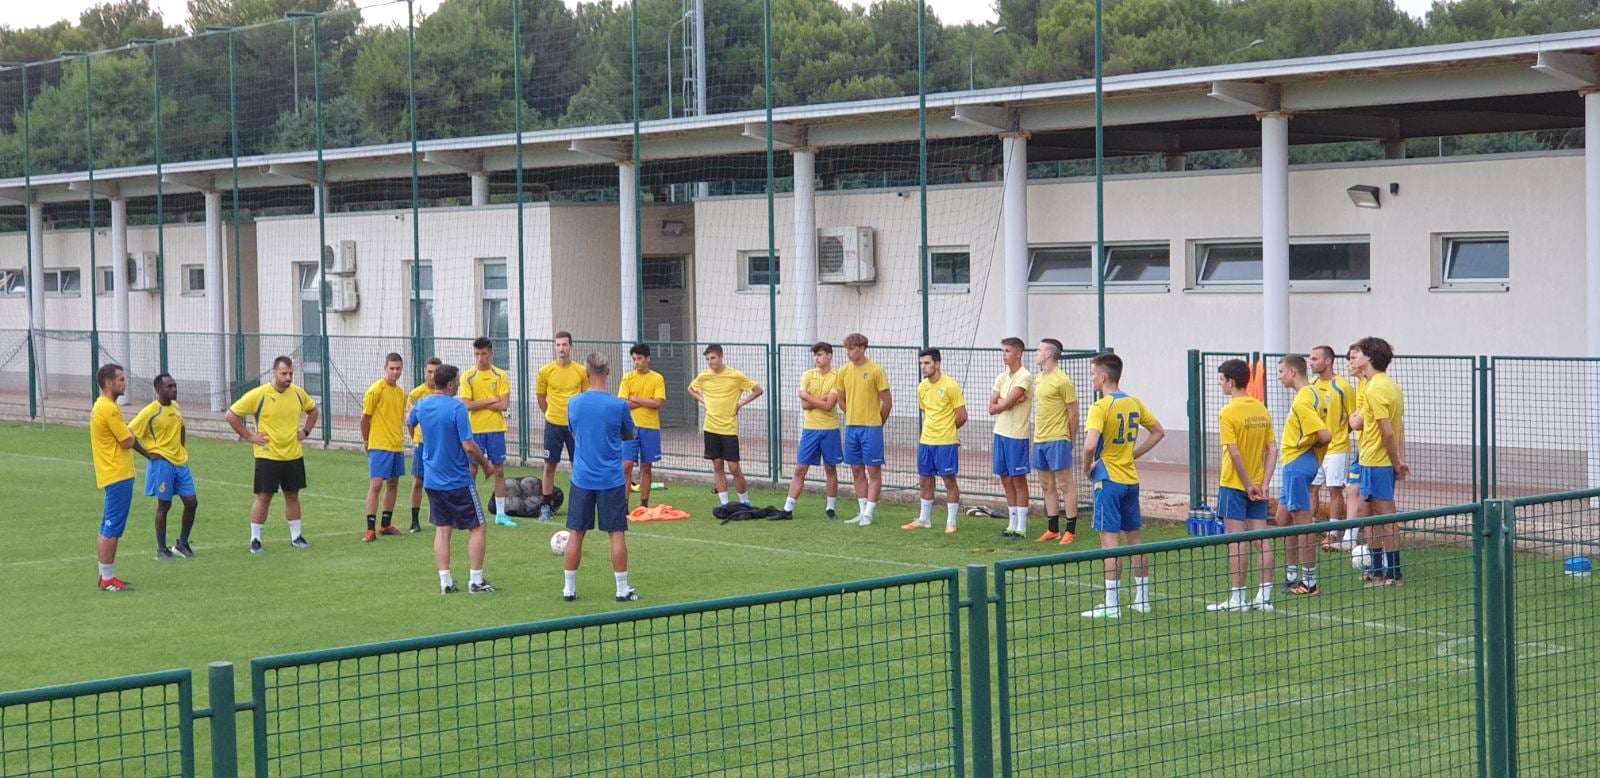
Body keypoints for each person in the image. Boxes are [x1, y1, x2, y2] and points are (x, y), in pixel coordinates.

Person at [1080, 353, 1165, 618]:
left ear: (1103, 376)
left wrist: (1086, 468)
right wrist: (1133, 454)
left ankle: (1112, 604)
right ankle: (1142, 599)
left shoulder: (1100, 407)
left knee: (1110, 542)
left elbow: (1089, 446)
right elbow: (1158, 431)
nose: (1091, 378)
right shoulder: (1133, 402)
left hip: (1108, 480)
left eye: (1093, 374)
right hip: (1130, 480)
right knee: (1135, 539)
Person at [409, 364, 497, 594]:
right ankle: (476, 581)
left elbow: (410, 422)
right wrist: (486, 465)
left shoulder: (422, 404)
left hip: (432, 480)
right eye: (457, 381)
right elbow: (469, 445)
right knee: (478, 527)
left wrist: (427, 448)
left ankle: (445, 582)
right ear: (449, 384)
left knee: (442, 530)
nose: (459, 384)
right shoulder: (457, 408)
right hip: (457, 480)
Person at [562, 352, 640, 602]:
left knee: (576, 532)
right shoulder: (619, 405)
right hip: (611, 480)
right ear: (608, 372)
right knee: (616, 533)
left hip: (582, 478)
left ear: (586, 374)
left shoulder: (574, 403)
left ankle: (569, 589)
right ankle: (621, 589)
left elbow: (574, 431)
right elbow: (630, 434)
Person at [1206, 359, 1280, 613]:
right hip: (1258, 485)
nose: (1220, 384)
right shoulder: (1261, 409)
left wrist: (1248, 484)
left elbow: (1234, 452)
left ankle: (1238, 599)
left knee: (1236, 541)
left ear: (1231, 381)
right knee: (1261, 539)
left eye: (1221, 380)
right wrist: (1264, 483)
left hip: (1234, 484)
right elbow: (1273, 450)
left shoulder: (1228, 412)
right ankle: (1264, 598)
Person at [226, 356, 319, 554]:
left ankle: (296, 537)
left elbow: (313, 411)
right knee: (264, 496)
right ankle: (255, 540)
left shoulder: (298, 394)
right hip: (267, 456)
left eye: (291, 374)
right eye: (284, 373)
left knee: (292, 495)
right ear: (274, 372)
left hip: (293, 455)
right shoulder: (259, 395)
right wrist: (249, 436)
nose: (288, 378)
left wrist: (305, 431)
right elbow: (231, 415)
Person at [91, 363, 157, 591]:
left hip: (113, 473)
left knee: (108, 525)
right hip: (117, 473)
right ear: (108, 382)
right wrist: (140, 443)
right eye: (120, 379)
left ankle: (105, 575)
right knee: (112, 527)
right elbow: (127, 440)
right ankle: (108, 579)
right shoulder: (108, 408)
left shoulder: (103, 405)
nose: (124, 383)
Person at [1351, 336, 1408, 586]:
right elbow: (1395, 428)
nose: (1355, 357)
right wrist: (1399, 459)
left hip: (1377, 462)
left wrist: (1396, 463)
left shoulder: (1375, 389)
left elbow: (1388, 432)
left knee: (1387, 518)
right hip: (1372, 461)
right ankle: (1376, 570)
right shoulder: (1389, 386)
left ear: (1370, 358)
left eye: (1359, 353)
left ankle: (1394, 573)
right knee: (1372, 517)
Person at [1276, 355, 1332, 597]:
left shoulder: (1304, 399)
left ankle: (1310, 582)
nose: (1279, 376)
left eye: (1281, 371)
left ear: (1292, 372)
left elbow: (1325, 435)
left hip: (1298, 464)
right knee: (1282, 519)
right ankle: (1291, 575)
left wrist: (1308, 449)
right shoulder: (1310, 394)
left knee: (1303, 523)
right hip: (1295, 463)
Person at [130, 373, 199, 560]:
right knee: (164, 505)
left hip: (180, 462)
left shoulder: (175, 406)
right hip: (162, 464)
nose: (174, 389)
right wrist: (149, 454)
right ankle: (162, 549)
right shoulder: (151, 411)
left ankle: (182, 544)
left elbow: (181, 427)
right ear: (158, 389)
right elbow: (129, 434)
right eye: (169, 386)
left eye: (175, 386)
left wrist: (181, 448)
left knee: (191, 502)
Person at [688, 344, 762, 508]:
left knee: (734, 467)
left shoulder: (735, 376)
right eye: (707, 359)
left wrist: (740, 404)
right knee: (717, 464)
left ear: (721, 357)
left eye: (713, 358)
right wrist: (703, 401)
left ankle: (745, 501)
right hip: (710, 427)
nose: (710, 362)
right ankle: (724, 503)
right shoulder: (704, 376)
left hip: (728, 428)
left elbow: (758, 390)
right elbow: (691, 389)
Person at [906, 348, 966, 534]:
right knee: (925, 480)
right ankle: (924, 519)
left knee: (949, 480)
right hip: (926, 441)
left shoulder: (950, 385)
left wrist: (947, 430)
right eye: (921, 363)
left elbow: (962, 416)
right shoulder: (921, 387)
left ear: (937, 364)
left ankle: (951, 522)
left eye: (927, 363)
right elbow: (926, 412)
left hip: (946, 442)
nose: (923, 367)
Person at [837, 333, 892, 526]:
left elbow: (887, 402)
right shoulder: (843, 371)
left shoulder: (876, 370)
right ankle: (862, 511)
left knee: (873, 470)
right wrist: (852, 413)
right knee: (856, 469)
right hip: (852, 427)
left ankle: (869, 513)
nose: (848, 352)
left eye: (852, 348)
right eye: (847, 349)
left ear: (862, 348)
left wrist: (877, 422)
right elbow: (840, 399)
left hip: (871, 428)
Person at [459, 337, 514, 527]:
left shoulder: (500, 375)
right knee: (472, 470)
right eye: (477, 354)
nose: (480, 358)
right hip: (475, 430)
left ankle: (501, 514)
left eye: (483, 354)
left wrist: (480, 404)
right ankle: (467, 510)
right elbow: (467, 404)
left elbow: (504, 404)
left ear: (491, 354)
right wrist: (491, 400)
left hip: (496, 429)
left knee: (499, 470)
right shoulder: (467, 376)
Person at [785, 341, 843, 519]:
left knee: (830, 468)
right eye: (815, 355)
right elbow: (804, 405)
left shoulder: (837, 377)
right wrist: (821, 399)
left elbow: (828, 406)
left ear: (829, 356)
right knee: (800, 469)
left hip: (830, 429)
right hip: (810, 430)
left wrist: (808, 396)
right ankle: (787, 509)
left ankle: (830, 508)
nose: (816, 358)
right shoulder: (808, 375)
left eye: (820, 355)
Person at [1032, 338, 1080, 544]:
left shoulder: (1063, 381)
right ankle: (1053, 529)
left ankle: (1071, 530)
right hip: (1039, 439)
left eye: (1039, 350)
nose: (1036, 352)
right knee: (1046, 484)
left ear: (1049, 354)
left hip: (1058, 438)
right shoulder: (1039, 378)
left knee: (1064, 484)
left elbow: (1074, 413)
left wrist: (1070, 439)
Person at [537, 331, 588, 522]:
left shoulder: (581, 371)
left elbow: (585, 397)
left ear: (571, 347)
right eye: (558, 345)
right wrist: (551, 414)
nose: (561, 349)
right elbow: (541, 397)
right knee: (550, 465)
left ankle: (579, 505)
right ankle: (546, 506)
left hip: (575, 427)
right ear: (554, 347)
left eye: (565, 345)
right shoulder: (545, 371)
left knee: (578, 465)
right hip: (553, 425)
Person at [1308, 345, 1354, 551]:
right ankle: (1307, 529)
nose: (1311, 362)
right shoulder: (1310, 385)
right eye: (1310, 359)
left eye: (1315, 359)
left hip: (1336, 448)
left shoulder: (1343, 387)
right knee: (1312, 488)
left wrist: (1340, 435)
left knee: (1335, 489)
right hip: (1314, 449)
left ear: (1328, 361)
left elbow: (1354, 418)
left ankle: (1332, 533)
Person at [360, 353, 408, 542]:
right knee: (376, 485)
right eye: (392, 368)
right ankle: (370, 529)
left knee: (393, 484)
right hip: (379, 444)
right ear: (385, 368)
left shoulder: (401, 393)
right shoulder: (376, 390)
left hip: (396, 445)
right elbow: (365, 419)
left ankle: (385, 525)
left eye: (398, 368)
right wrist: (367, 441)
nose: (395, 372)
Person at [990, 337, 1033, 539]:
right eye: (1003, 351)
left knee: (1018, 479)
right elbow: (992, 407)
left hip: (1017, 434)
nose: (1004, 355)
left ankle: (1022, 526)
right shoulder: (1001, 377)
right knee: (1005, 478)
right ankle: (1012, 522)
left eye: (1007, 351)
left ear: (1018, 353)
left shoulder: (1025, 376)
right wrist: (1007, 402)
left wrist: (1006, 402)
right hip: (1000, 432)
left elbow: (1006, 403)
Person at [619, 343, 666, 509]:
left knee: (647, 466)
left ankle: (644, 505)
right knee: (626, 466)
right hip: (629, 428)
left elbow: (658, 403)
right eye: (634, 359)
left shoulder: (657, 378)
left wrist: (636, 399)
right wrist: (646, 402)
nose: (636, 362)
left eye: (639, 358)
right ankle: (624, 504)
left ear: (648, 359)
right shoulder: (627, 378)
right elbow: (623, 403)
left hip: (650, 427)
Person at [405, 357, 442, 533]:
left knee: (440, 481)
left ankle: (440, 516)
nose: (433, 375)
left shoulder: (444, 393)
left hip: (440, 444)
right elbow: (409, 422)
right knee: (419, 480)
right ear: (425, 372)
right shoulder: (416, 394)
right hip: (422, 443)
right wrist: (416, 439)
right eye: (429, 371)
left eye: (436, 372)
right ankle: (414, 521)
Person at [1338, 347, 1368, 552]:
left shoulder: (1371, 385)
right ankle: (1350, 537)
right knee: (1352, 489)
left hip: (1374, 451)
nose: (1349, 363)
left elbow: (1356, 421)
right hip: (1363, 447)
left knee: (1370, 496)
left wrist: (1352, 417)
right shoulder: (1360, 384)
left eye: (1353, 358)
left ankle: (1378, 544)